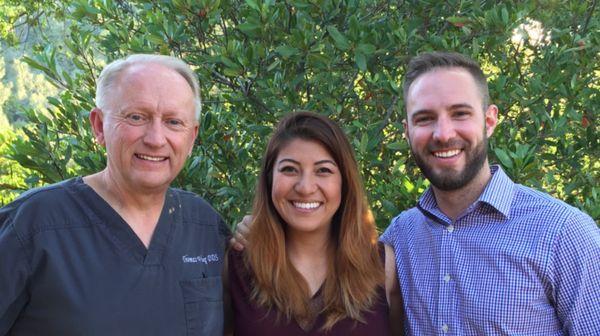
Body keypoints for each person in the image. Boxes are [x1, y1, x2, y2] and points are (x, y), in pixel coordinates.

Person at [0, 54, 230, 335]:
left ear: (192, 136)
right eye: (136, 117)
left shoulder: (205, 226)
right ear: (98, 126)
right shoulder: (32, 226)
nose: (156, 139)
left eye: (173, 122)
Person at [380, 51, 600, 335]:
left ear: (490, 120)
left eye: (460, 113)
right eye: (425, 118)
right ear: (407, 132)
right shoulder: (400, 238)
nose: (443, 134)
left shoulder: (563, 233)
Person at [225, 112, 403, 335]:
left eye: (323, 170)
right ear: (269, 178)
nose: (306, 187)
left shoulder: (383, 267)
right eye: (289, 169)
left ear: (344, 182)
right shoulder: (236, 266)